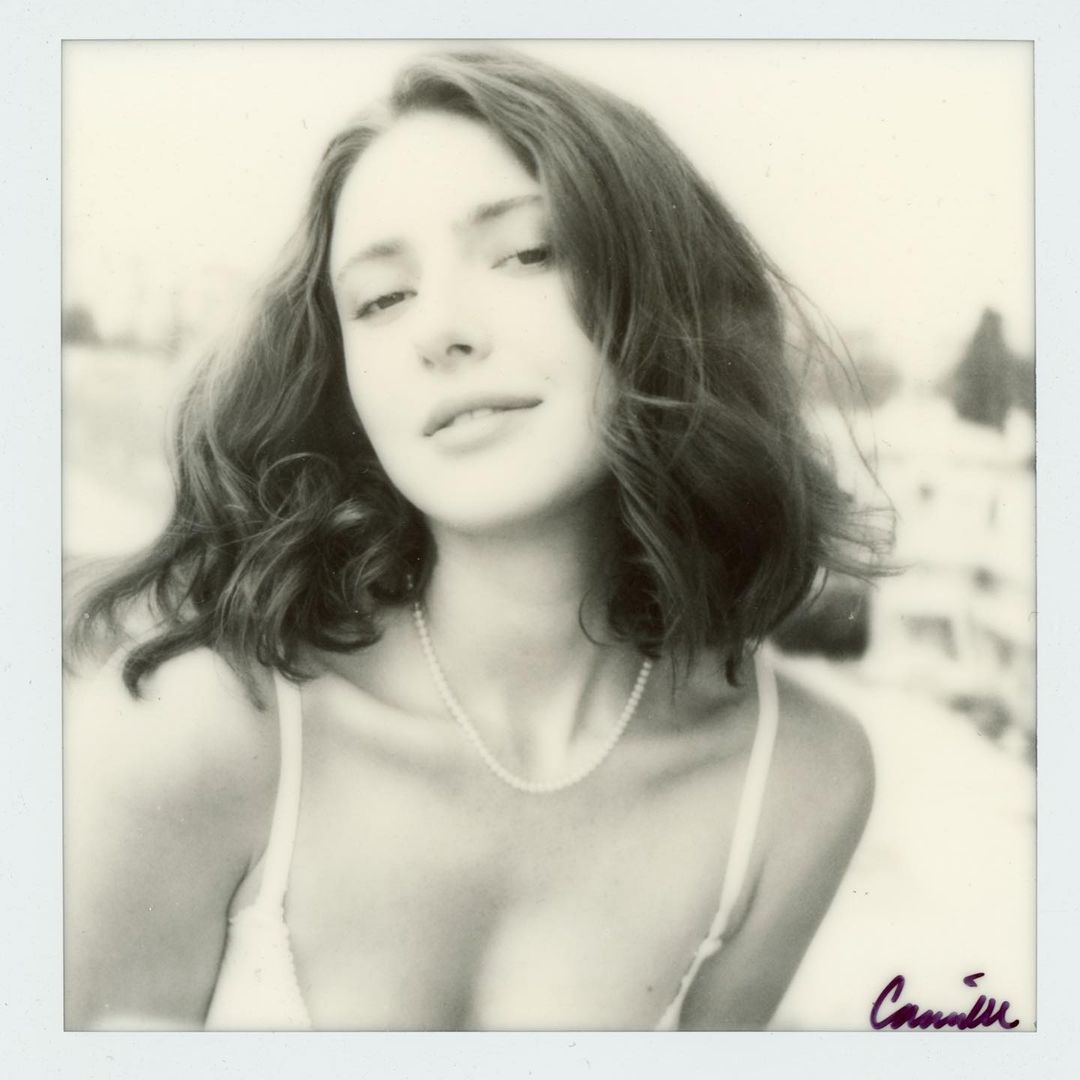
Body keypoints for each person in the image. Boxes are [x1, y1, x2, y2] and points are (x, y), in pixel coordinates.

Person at [64, 46, 882, 1031]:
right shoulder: (195, 733)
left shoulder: (795, 782)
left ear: (669, 297)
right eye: (382, 299)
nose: (439, 331)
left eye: (527, 253)